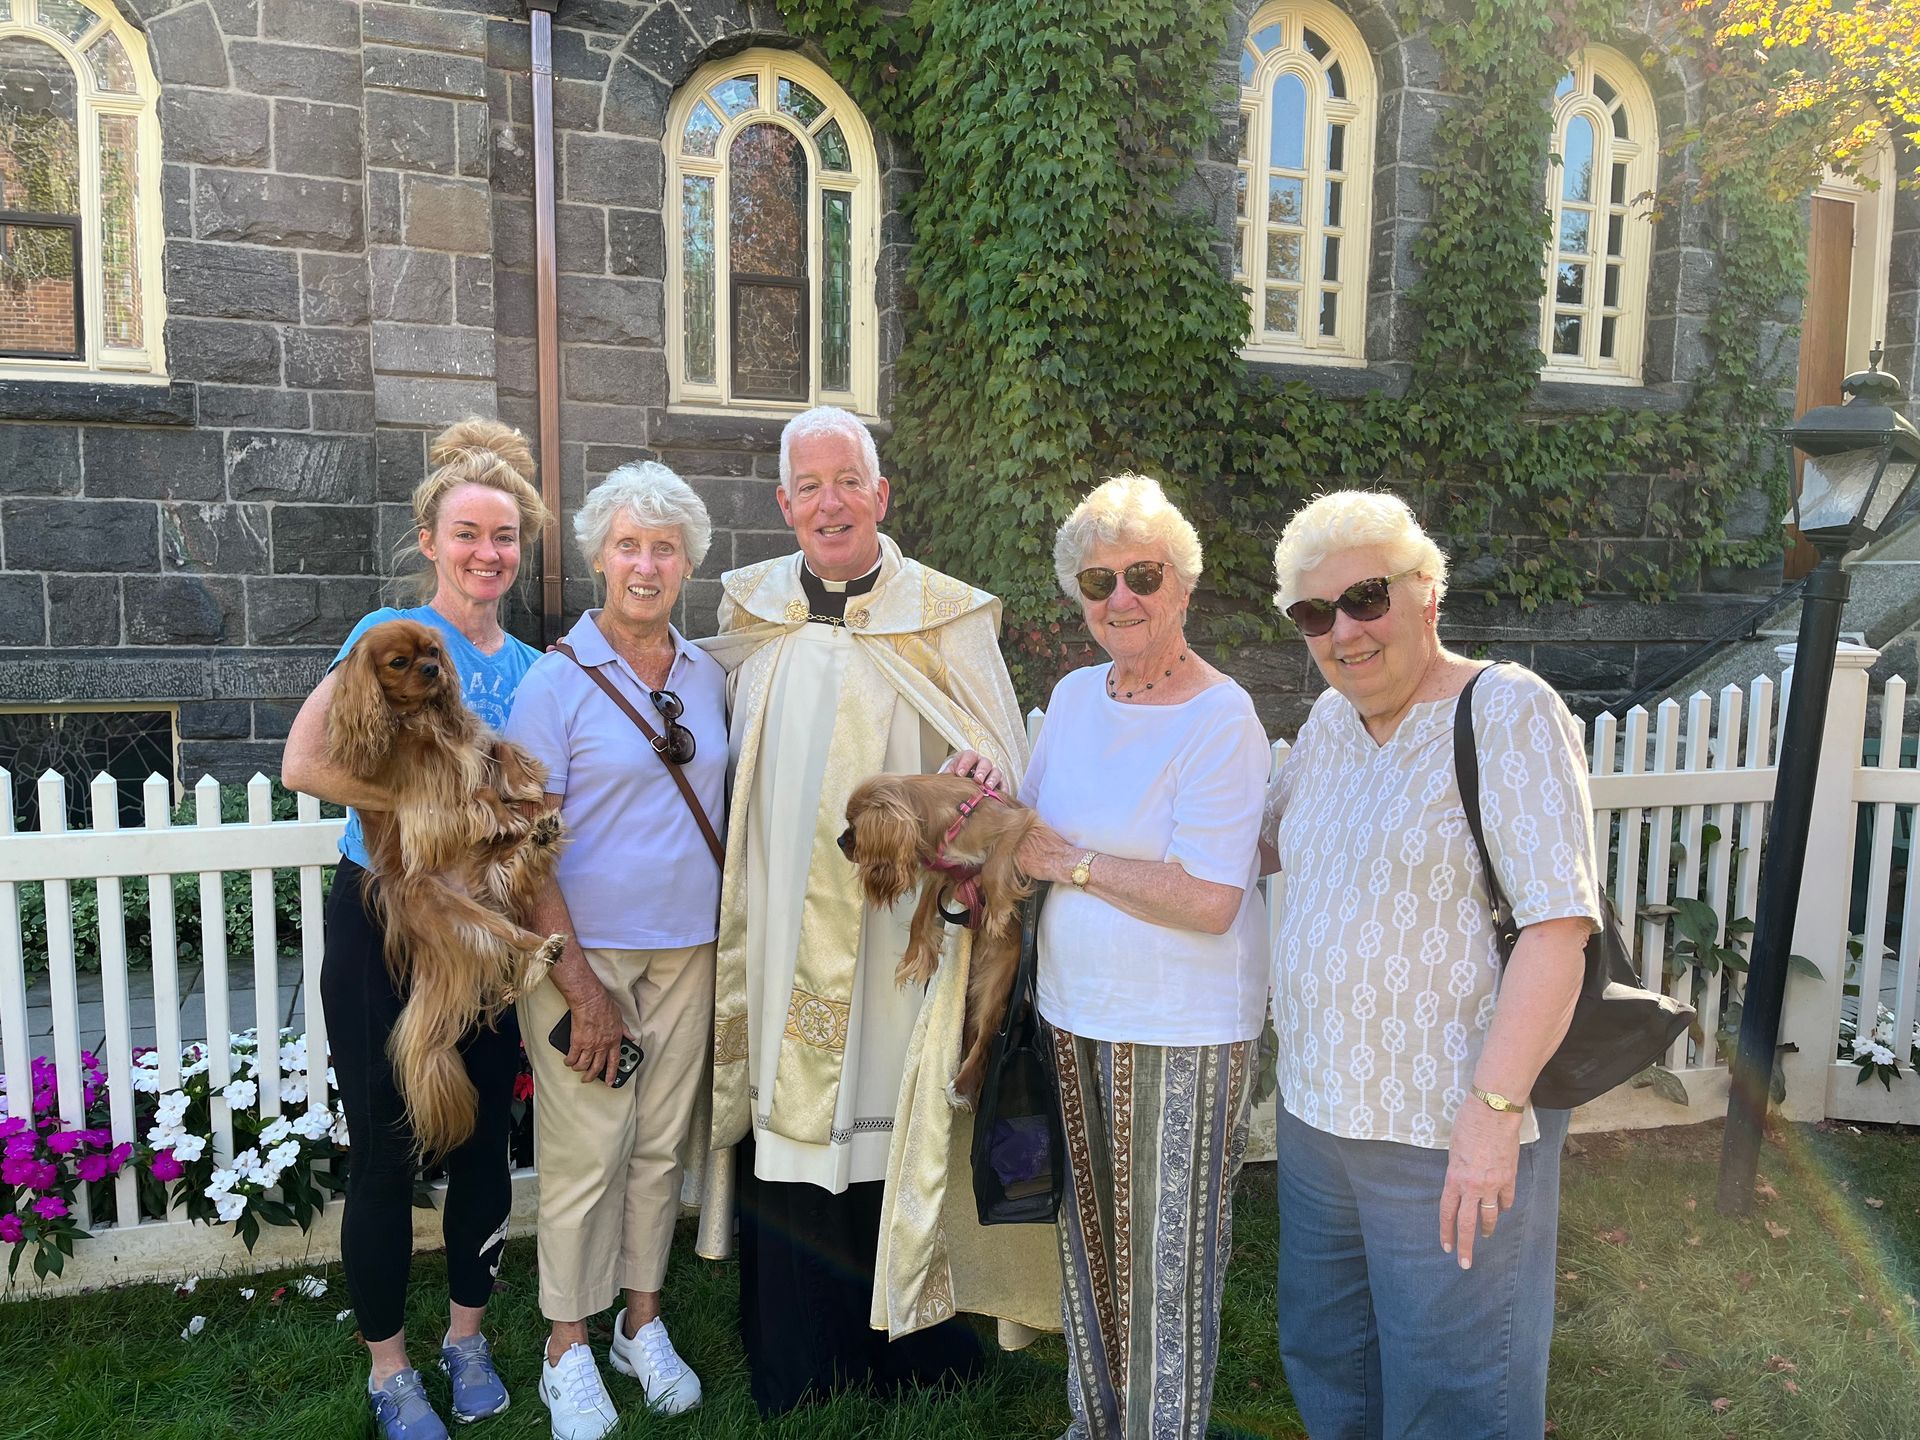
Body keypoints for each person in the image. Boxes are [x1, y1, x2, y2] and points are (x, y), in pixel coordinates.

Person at [694, 404, 1058, 1415]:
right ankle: (799, 1353)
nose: (830, 503)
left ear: (882, 494)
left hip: (901, 936)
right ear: (784, 504)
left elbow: (1002, 763)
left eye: (848, 481)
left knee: (888, 1113)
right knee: (791, 1119)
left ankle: (913, 1347)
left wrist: (980, 773)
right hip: (779, 925)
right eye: (809, 486)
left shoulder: (945, 617)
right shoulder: (752, 609)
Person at [1262, 490, 1602, 1440]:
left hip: (1447, 1124)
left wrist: (1493, 1115)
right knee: (1331, 1362)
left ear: (1427, 596)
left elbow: (1558, 928)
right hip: (1318, 1115)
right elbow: (1251, 843)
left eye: (1365, 598)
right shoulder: (1328, 724)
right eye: (1315, 613)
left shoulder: (1507, 711)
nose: (1344, 631)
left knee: (1455, 1390)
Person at [282, 419, 548, 1440]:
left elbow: (530, 804)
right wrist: (436, 810)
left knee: (481, 1144)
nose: (488, 553)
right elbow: (304, 764)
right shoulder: (385, 633)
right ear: (430, 541)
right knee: (387, 1153)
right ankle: (390, 1368)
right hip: (382, 921)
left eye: (504, 537)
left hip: (480, 926)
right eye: (467, 534)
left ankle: (465, 1340)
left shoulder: (534, 669)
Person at [991, 473, 1271, 1437]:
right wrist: (983, 794)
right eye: (1098, 581)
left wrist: (1075, 864)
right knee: (1088, 1249)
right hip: (1071, 1015)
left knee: (1167, 1268)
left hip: (1181, 1031)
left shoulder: (1221, 717)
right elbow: (1028, 833)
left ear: (1183, 584)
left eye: (1143, 575)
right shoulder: (1075, 697)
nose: (1121, 598)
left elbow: (1211, 899)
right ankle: (1093, 1422)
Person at [498, 463, 728, 1440]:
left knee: (658, 1149)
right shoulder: (557, 682)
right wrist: (580, 985)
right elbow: (524, 848)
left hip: (689, 951)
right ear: (599, 557)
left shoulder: (708, 675)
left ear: (688, 564)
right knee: (585, 1154)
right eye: (629, 545)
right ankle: (567, 1348)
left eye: (664, 548)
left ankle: (641, 1323)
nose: (646, 565)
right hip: (582, 962)